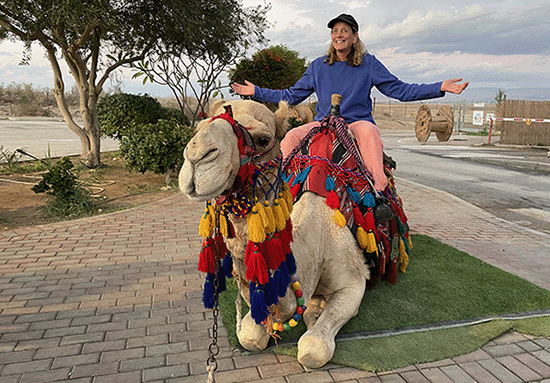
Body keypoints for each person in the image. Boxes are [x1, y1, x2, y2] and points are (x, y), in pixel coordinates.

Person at [231, 13, 468, 191]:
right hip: (324, 124)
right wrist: (256, 91)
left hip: (355, 123)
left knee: (369, 132)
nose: (338, 35)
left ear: (354, 37)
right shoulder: (318, 66)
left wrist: (439, 87)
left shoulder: (368, 64)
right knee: (292, 136)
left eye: (344, 30)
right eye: (335, 31)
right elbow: (292, 96)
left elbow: (399, 90)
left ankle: (378, 191)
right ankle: (277, 189)